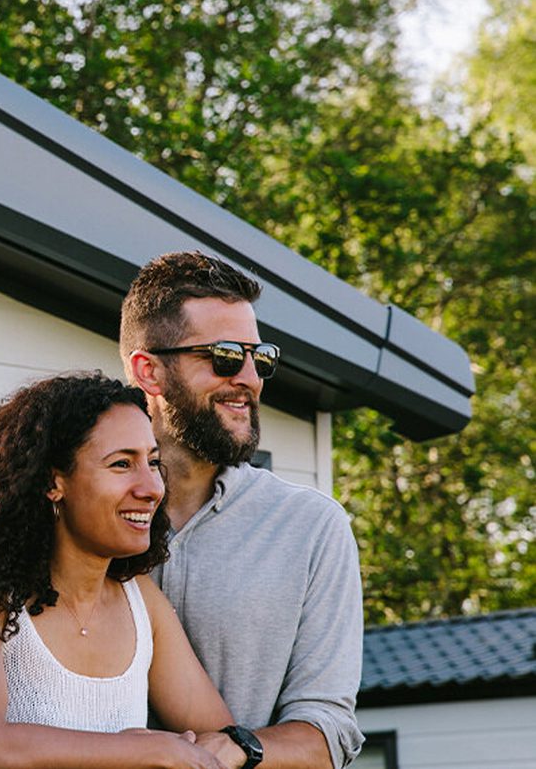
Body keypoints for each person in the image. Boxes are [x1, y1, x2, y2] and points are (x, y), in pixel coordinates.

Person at [0, 372, 254, 769]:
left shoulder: (141, 600)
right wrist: (146, 749)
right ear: (53, 481)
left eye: (153, 462)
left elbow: (219, 734)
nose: (151, 487)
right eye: (122, 464)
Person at [119, 251, 365, 769]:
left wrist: (239, 748)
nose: (250, 379)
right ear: (149, 370)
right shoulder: (82, 510)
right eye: (226, 356)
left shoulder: (312, 527)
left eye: (262, 358)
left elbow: (330, 730)